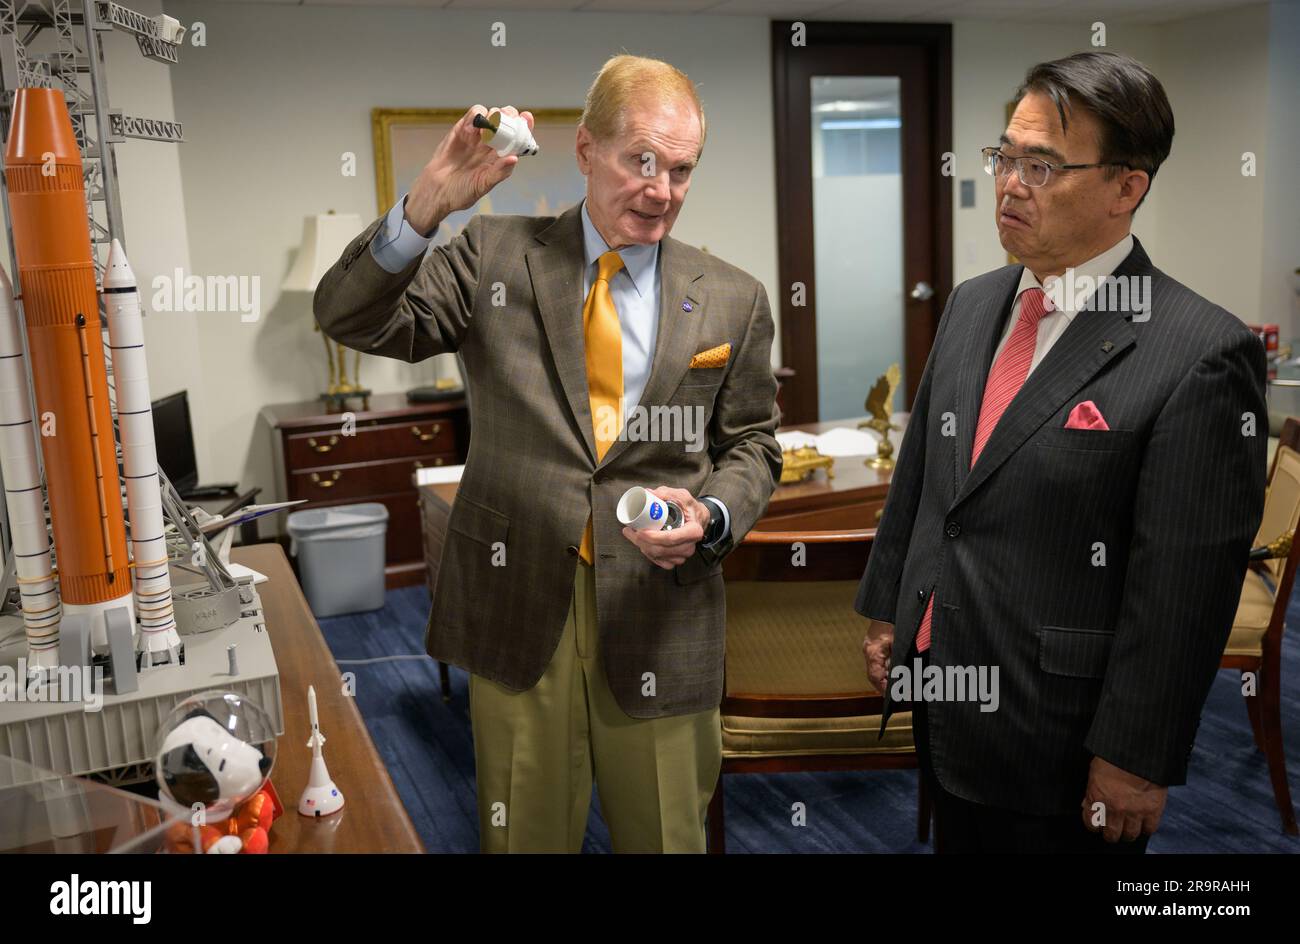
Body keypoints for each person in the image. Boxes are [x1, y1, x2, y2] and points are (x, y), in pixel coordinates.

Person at [315, 54, 781, 853]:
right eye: (640, 160)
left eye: (680, 169)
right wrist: (427, 208)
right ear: (586, 150)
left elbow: (752, 445)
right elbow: (349, 317)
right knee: (524, 833)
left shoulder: (732, 295)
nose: (659, 189)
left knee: (668, 834)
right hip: (519, 594)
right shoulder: (493, 257)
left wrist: (710, 514)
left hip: (662, 611)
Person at [856, 51, 1266, 853]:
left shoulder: (1198, 351)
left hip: (1063, 732)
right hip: (945, 690)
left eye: (1042, 166)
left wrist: (1135, 759)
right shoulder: (977, 304)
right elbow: (927, 485)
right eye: (1005, 156)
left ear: (1127, 188)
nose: (1010, 184)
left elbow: (1182, 585)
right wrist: (891, 611)